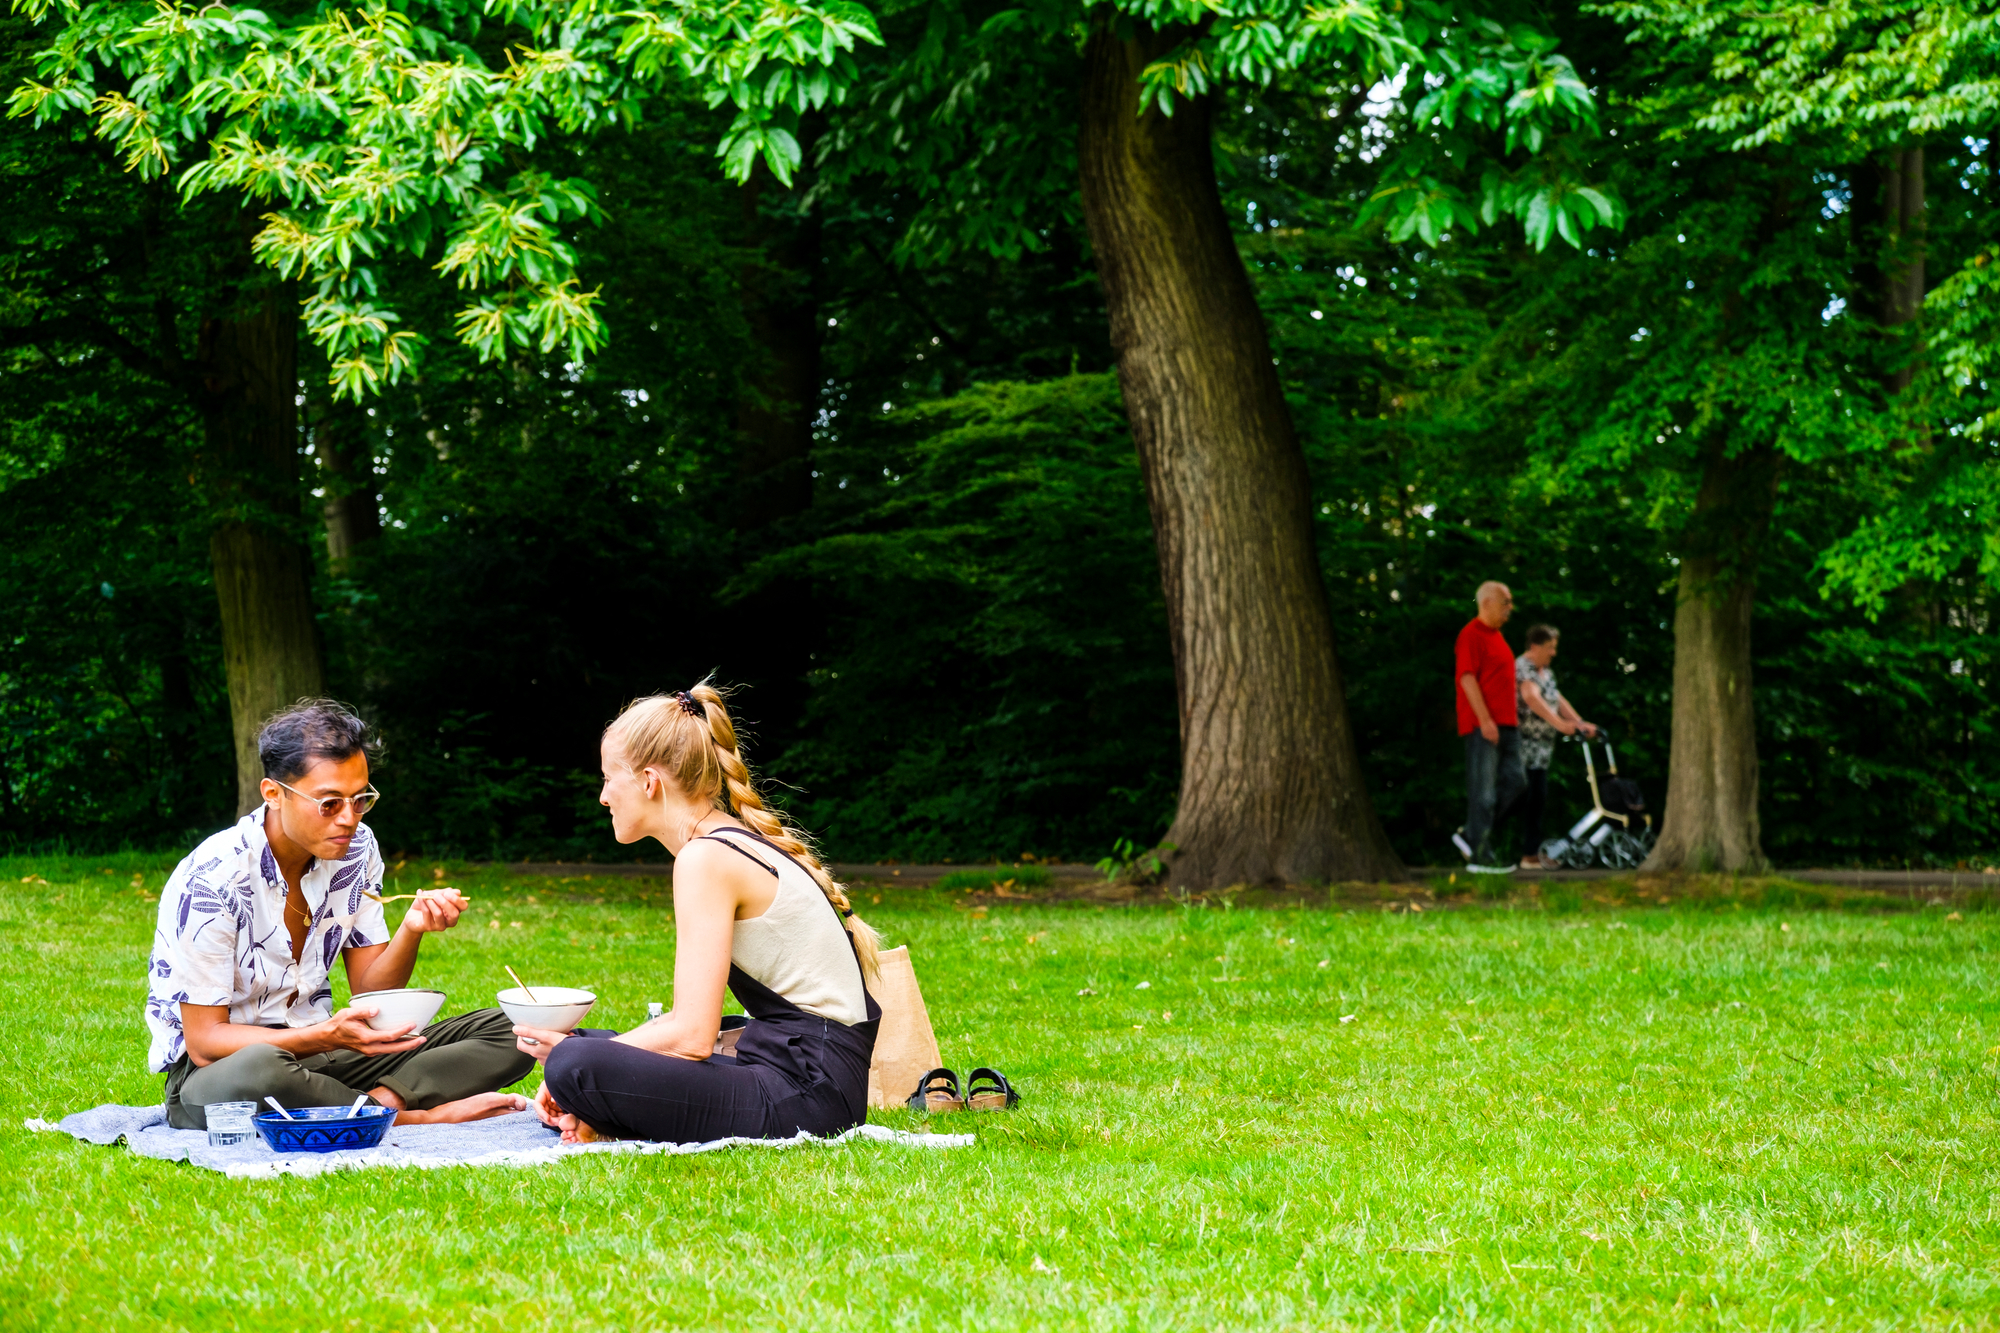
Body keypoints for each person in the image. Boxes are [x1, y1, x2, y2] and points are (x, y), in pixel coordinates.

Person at [516, 684, 881, 1145]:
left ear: (649, 781)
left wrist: (574, 1064)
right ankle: (595, 1112)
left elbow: (691, 1036)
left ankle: (594, 1108)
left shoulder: (704, 858)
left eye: (609, 778)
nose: (604, 797)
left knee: (575, 1062)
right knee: (588, 1043)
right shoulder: (724, 842)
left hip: (808, 1094)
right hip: (804, 1076)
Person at [148, 700, 535, 1129]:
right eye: (329, 803)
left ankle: (379, 1105)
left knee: (519, 1027)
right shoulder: (212, 878)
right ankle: (413, 1116)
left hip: (329, 1054)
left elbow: (371, 988)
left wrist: (411, 929)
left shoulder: (358, 850)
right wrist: (324, 1036)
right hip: (222, 1075)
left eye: (360, 799)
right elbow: (204, 1043)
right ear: (274, 794)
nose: (349, 819)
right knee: (263, 1067)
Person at [1452, 581, 1526, 873]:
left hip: (1509, 725)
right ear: (1486, 603)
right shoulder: (1471, 635)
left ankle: (1471, 834)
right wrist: (1485, 721)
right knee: (1483, 793)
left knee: (1517, 783)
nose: (1510, 608)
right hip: (1484, 726)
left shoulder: (1499, 637)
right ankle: (1480, 857)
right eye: (1505, 602)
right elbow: (1467, 679)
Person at [1515, 625, 1599, 870]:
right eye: (1550, 648)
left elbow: (1558, 699)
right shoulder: (1523, 667)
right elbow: (1532, 698)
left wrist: (1580, 724)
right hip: (1523, 745)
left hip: (1542, 749)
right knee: (1521, 797)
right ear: (1535, 646)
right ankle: (1474, 837)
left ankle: (1530, 855)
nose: (1553, 653)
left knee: (1537, 799)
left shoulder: (1546, 672)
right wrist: (1562, 726)